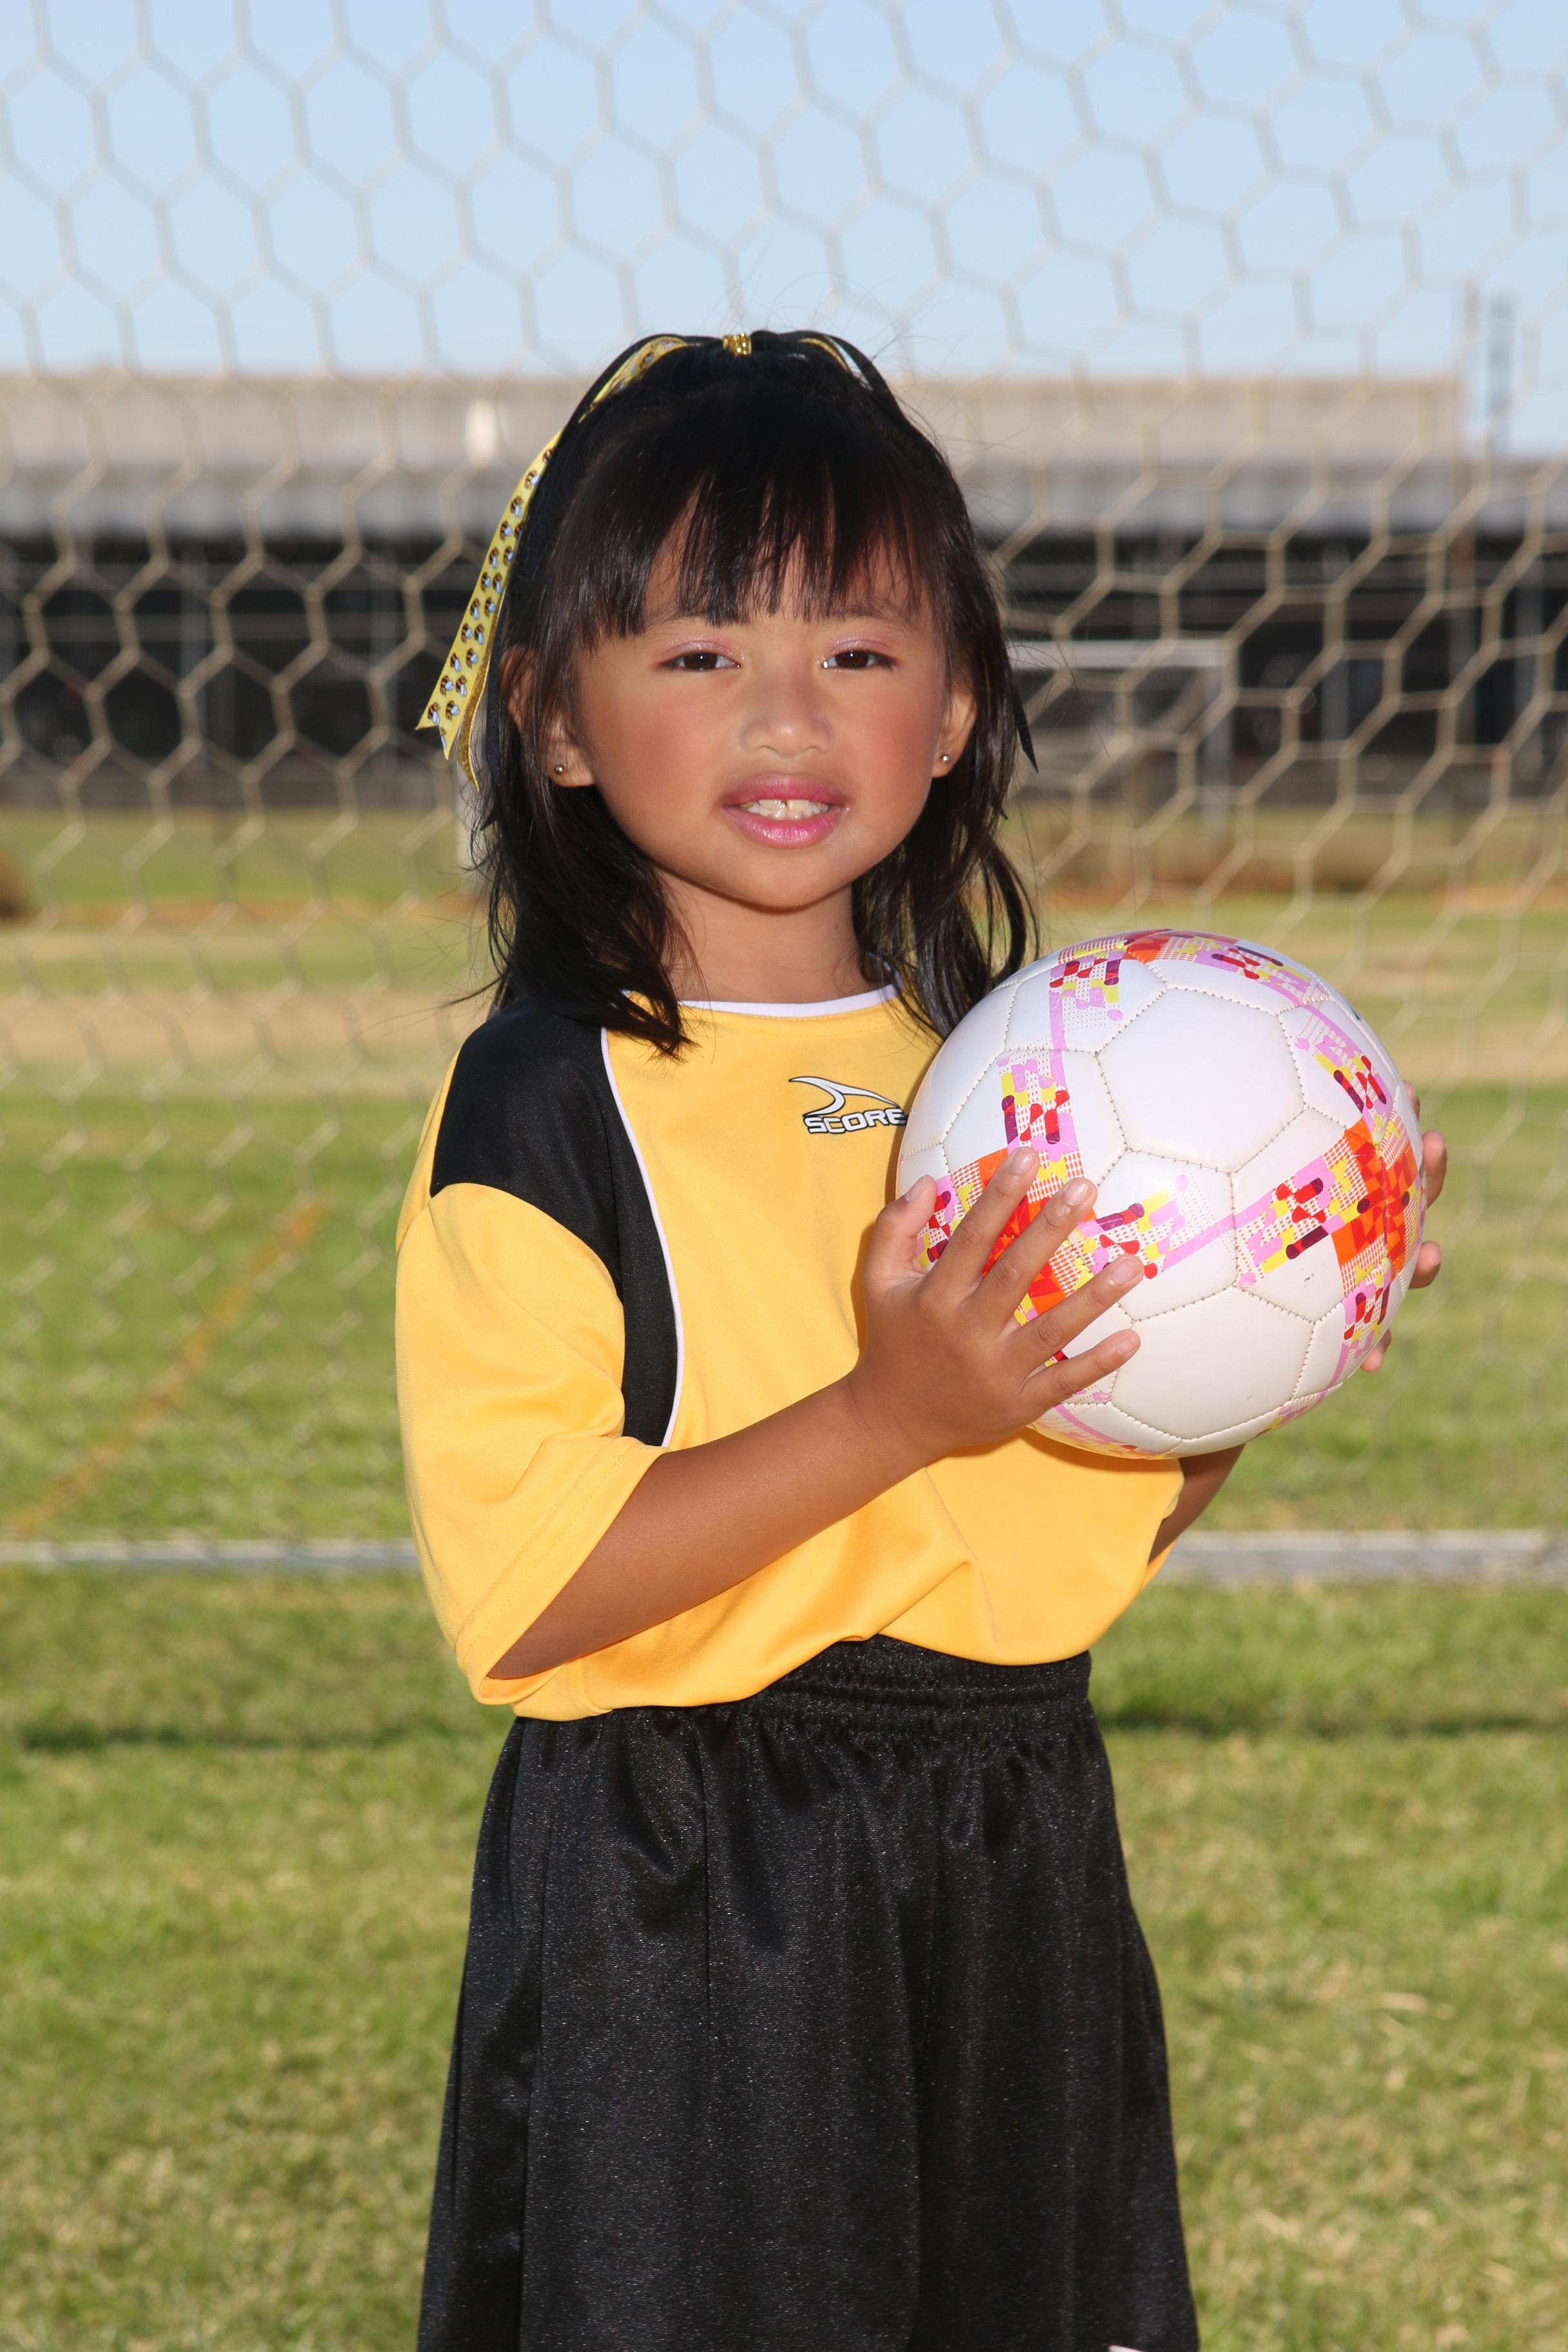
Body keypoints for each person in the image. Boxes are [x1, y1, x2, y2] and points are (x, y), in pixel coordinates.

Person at [396, 330, 1445, 2352]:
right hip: (699, 1875)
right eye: (702, 650)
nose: (788, 712)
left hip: (1015, 1828)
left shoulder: (1022, 1081)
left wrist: (1255, 1338)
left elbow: (1053, 1540)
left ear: (955, 707)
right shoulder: (542, 1099)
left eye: (860, 650)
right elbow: (529, 1599)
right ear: (554, 720)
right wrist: (890, 1411)